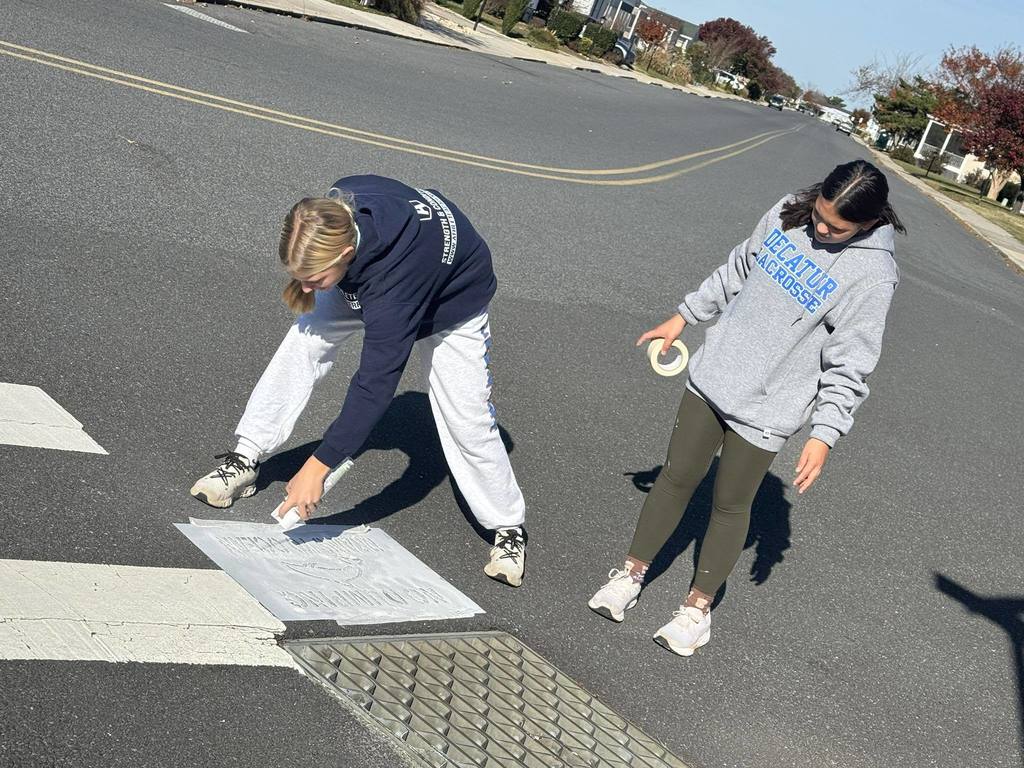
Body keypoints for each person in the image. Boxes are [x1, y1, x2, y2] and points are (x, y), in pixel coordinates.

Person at [589, 160, 905, 655]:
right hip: (713, 376)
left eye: (836, 228)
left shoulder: (872, 275)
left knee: (731, 504)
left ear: (867, 224)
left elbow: (851, 361)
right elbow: (737, 269)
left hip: (768, 407)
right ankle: (630, 575)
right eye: (820, 216)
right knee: (676, 477)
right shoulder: (788, 212)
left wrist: (824, 433)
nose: (821, 231)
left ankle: (696, 610)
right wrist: (684, 316)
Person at [190, 175, 527, 586]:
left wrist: (318, 468)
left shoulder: (392, 290)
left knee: (466, 417)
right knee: (304, 340)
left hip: (453, 299)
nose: (305, 287)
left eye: (314, 279)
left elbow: (374, 385)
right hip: (383, 277)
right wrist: (318, 281)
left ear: (347, 253)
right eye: (301, 276)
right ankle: (246, 455)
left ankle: (508, 527)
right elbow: (324, 281)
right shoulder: (342, 205)